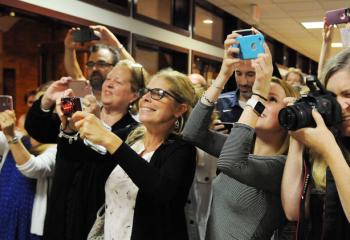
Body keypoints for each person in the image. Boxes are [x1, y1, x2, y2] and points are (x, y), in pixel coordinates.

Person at [183, 31, 299, 239]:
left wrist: (258, 95)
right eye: (260, 94)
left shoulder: (282, 166)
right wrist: (223, 74)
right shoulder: (244, 148)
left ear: (288, 114)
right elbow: (192, 133)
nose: (261, 100)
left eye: (270, 98)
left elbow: (232, 163)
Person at [25, 60, 146, 240]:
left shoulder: (135, 132)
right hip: (60, 214)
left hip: (95, 219)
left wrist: (99, 124)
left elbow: (110, 164)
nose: (109, 83)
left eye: (118, 82)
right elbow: (38, 130)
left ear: (134, 94)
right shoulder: (79, 114)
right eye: (108, 78)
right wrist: (47, 99)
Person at [72, 69, 197, 240]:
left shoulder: (182, 149)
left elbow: (161, 191)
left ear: (180, 109)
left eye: (158, 93)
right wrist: (69, 127)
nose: (145, 98)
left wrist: (110, 139)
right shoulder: (131, 135)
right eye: (146, 92)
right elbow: (83, 158)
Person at [281, 47, 350, 239]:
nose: (339, 106)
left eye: (348, 94)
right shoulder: (325, 140)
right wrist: (297, 133)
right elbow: (292, 211)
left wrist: (330, 150)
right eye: (331, 97)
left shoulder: (327, 145)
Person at [0, 110, 56, 239]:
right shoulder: (17, 139)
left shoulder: (55, 148)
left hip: (28, 222)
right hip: (3, 216)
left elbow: (33, 168)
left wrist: (10, 135)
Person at [64, 25, 135, 99]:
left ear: (115, 68)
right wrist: (69, 48)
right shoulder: (83, 93)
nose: (94, 69)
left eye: (102, 64)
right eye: (91, 64)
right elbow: (76, 75)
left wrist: (114, 43)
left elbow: (134, 72)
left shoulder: (122, 97)